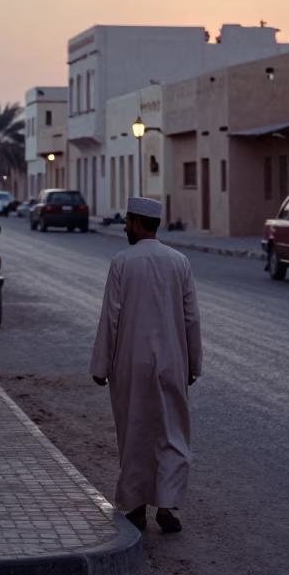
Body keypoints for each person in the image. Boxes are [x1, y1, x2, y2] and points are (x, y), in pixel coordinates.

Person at [90, 196, 202, 534]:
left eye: (126, 221)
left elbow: (110, 317)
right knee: (171, 432)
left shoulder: (122, 262)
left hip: (131, 364)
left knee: (135, 433)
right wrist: (193, 364)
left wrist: (100, 366)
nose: (125, 227)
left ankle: (136, 507)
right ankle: (166, 506)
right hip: (172, 362)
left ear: (137, 223)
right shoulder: (179, 261)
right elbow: (191, 318)